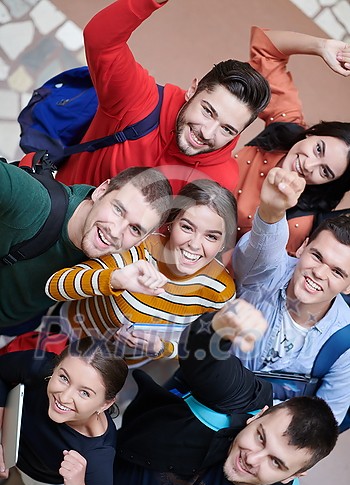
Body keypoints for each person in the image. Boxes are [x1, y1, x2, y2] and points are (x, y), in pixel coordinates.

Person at [111, 299, 338, 485]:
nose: (252, 458)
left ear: (293, 476)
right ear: (258, 416)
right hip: (99, 477)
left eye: (276, 462)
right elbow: (203, 358)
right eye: (260, 438)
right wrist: (218, 327)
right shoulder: (245, 399)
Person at [55, 0, 271, 194]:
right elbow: (100, 40)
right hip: (53, 222)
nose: (207, 132)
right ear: (192, 90)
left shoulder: (220, 180)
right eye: (207, 111)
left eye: (227, 129)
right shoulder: (139, 99)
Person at [44, 179, 236, 368]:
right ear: (171, 223)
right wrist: (115, 278)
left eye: (211, 236)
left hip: (120, 366)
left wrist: (163, 349)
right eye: (186, 227)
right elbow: (55, 286)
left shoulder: (220, 290)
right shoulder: (136, 247)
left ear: (223, 242)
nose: (194, 244)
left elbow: (204, 349)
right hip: (65, 336)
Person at [231, 166, 350, 425]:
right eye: (317, 256)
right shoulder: (267, 271)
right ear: (303, 247)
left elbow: (327, 418)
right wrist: (272, 212)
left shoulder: (345, 341)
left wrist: (269, 420)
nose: (318, 273)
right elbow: (264, 246)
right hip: (199, 395)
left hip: (267, 432)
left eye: (337, 272)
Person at [0, 162, 172, 336]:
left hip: (20, 320)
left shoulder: (126, 259)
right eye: (118, 210)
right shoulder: (34, 201)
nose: (115, 231)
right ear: (101, 191)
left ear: (141, 239)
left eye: (135, 229)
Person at [233, 26, 350, 256]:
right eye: (318, 149)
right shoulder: (289, 124)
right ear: (312, 133)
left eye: (325, 172)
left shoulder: (301, 225)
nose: (309, 165)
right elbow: (265, 46)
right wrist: (321, 46)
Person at [0, 337, 128, 485]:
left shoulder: (98, 453)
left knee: (25, 483)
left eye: (84, 393)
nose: (64, 397)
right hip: (11, 438)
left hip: (40, 478)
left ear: (105, 403)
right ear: (55, 366)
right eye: (63, 378)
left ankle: (18, 483)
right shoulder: (41, 366)